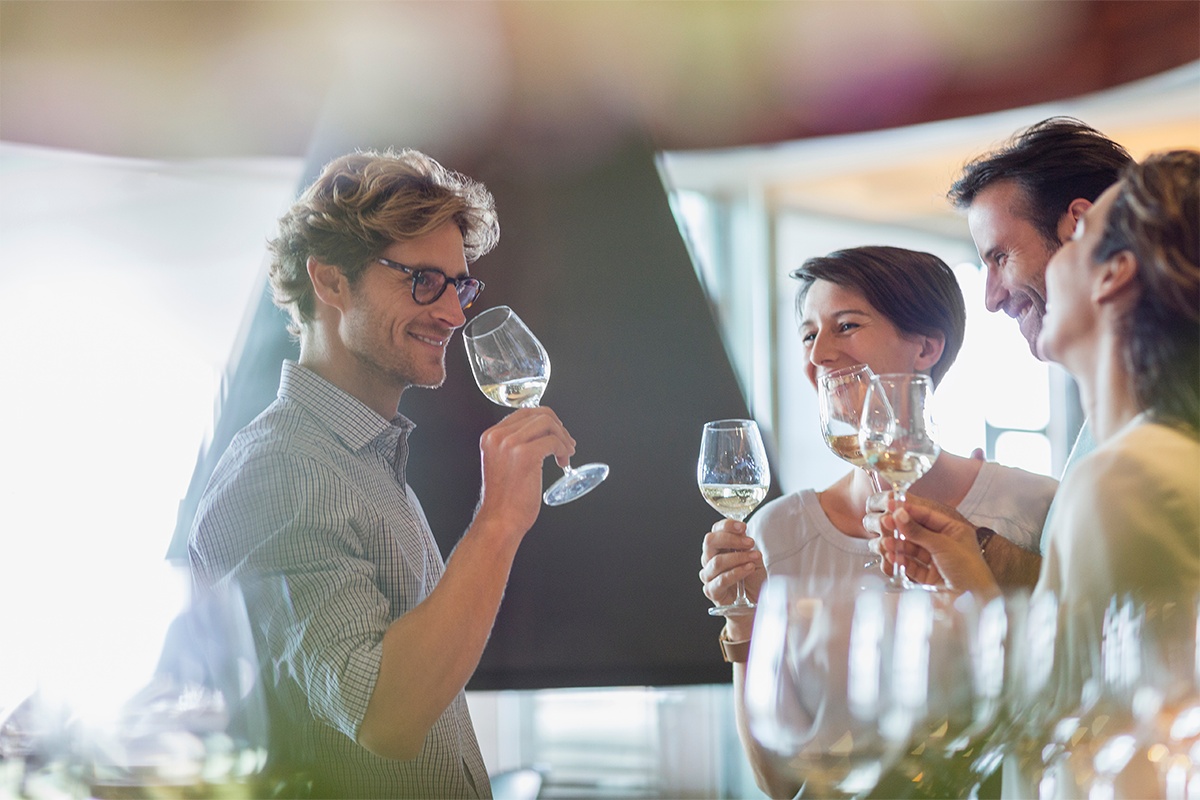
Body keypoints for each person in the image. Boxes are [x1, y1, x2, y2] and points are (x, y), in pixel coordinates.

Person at [188, 149, 578, 798]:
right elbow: (385, 719)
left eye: (459, 285)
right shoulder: (284, 475)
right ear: (330, 281)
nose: (454, 314)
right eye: (422, 281)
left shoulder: (363, 459)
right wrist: (500, 522)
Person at [884, 151, 1200, 792]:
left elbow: (1082, 736)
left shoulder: (1126, 478)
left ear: (1114, 274)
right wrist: (969, 570)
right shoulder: (1140, 455)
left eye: (1081, 236)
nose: (994, 295)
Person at [697, 245, 1059, 798]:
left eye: (846, 326)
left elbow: (1051, 716)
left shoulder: (1033, 506)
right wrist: (743, 622)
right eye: (808, 334)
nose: (819, 354)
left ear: (926, 346)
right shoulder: (778, 532)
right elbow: (776, 781)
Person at [866, 118, 1134, 575]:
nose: (990, 299)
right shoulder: (1113, 404)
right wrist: (973, 548)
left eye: (1000, 257)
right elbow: (1096, 591)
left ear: (1080, 226)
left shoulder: (1169, 400)